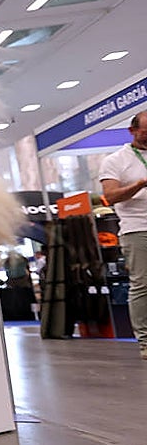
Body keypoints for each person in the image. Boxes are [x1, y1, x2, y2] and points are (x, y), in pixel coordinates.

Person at [98, 110, 147, 359]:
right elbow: (110, 196)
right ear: (132, 131)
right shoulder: (115, 160)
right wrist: (140, 184)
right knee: (142, 285)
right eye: (145, 132)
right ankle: (145, 341)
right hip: (138, 228)